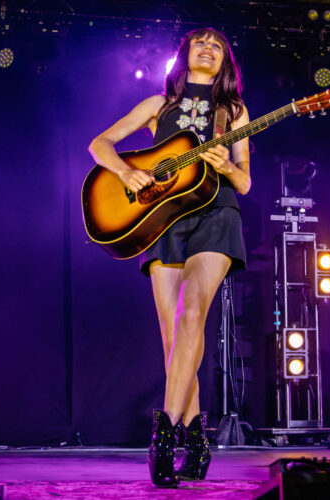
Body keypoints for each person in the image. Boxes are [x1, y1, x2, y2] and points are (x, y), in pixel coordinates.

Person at [88, 27, 250, 487]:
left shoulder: (233, 111)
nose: (209, 48)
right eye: (201, 42)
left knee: (193, 311)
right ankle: (196, 440)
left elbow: (245, 182)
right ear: (185, 55)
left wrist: (227, 166)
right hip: (164, 220)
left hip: (217, 214)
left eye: (217, 45)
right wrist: (127, 173)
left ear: (225, 62)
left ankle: (163, 436)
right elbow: (99, 144)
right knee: (173, 337)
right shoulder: (158, 105)